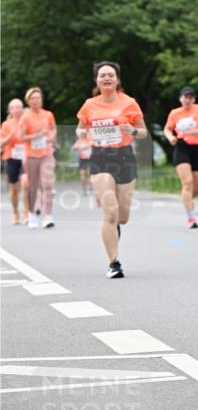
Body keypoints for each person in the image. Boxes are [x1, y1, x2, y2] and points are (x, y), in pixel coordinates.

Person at [76, 61, 148, 278]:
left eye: (110, 75)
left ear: (117, 79)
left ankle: (115, 227)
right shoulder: (89, 105)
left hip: (124, 156)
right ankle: (114, 263)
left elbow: (143, 131)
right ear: (96, 80)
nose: (106, 78)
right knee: (110, 211)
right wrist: (81, 134)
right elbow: (80, 128)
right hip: (100, 157)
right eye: (102, 75)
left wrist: (133, 131)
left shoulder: (129, 103)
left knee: (122, 217)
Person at [163, 86, 198, 229]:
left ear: (194, 99)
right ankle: (190, 218)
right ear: (180, 98)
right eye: (185, 97)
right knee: (187, 182)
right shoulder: (175, 113)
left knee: (196, 188)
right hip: (182, 147)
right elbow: (167, 129)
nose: (187, 100)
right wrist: (170, 137)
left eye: (190, 97)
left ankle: (187, 200)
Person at [19, 87, 57, 229]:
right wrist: (37, 136)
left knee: (47, 184)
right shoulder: (25, 117)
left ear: (41, 99)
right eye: (32, 98)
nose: (36, 100)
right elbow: (21, 137)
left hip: (46, 154)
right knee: (32, 186)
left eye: (38, 98)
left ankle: (48, 216)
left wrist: (51, 138)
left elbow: (53, 129)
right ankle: (32, 214)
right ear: (28, 101)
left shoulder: (48, 114)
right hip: (31, 156)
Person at [1, 99, 29, 225]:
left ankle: (27, 213)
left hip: (26, 157)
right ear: (10, 110)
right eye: (15, 107)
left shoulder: (27, 122)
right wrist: (10, 135)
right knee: (14, 189)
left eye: (20, 107)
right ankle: (15, 212)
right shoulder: (6, 125)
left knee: (25, 183)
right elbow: (1, 143)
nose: (18, 109)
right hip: (11, 157)